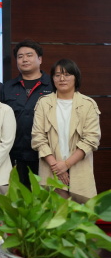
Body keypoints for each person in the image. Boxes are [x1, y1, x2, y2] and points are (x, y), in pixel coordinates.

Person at [32, 59, 101, 198]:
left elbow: (91, 139)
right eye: (57, 75)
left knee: (81, 209)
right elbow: (38, 137)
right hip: (51, 169)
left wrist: (66, 164)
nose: (62, 79)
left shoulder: (88, 104)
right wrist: (57, 167)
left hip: (79, 169)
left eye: (67, 74)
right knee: (51, 209)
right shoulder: (43, 103)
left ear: (76, 77)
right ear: (53, 79)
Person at [0, 39, 53, 187]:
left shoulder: (53, 85)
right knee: (17, 196)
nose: (24, 59)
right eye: (20, 56)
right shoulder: (7, 87)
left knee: (44, 196)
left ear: (40, 59)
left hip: (46, 155)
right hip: (14, 155)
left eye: (29, 55)